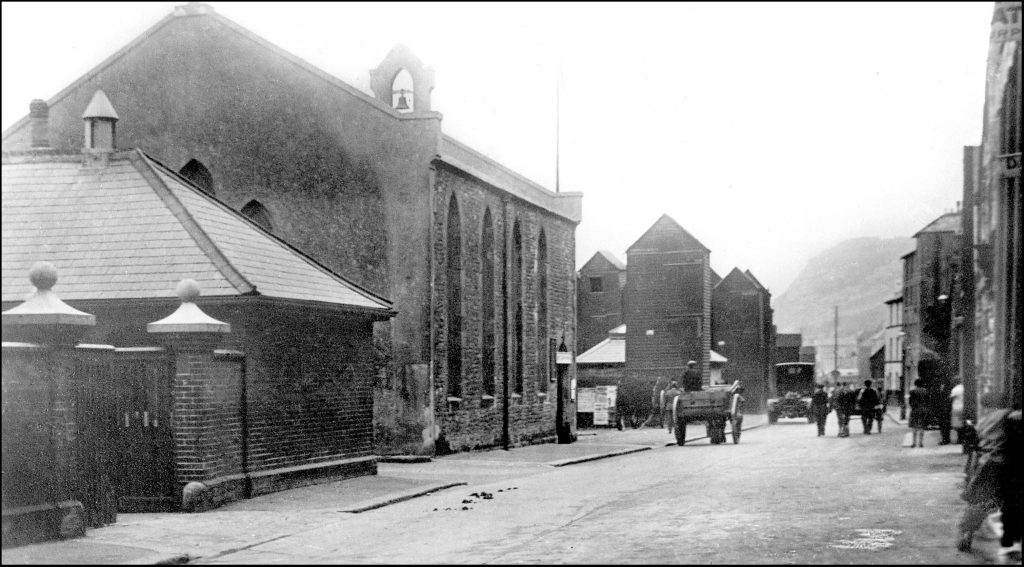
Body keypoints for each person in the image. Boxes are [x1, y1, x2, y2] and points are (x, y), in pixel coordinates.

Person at [956, 392, 1022, 560]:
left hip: (985, 464)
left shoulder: (985, 420)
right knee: (1011, 504)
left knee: (982, 502)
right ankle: (1013, 544)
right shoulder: (1008, 415)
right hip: (1003, 463)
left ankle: (966, 534)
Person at [908, 379, 930, 448]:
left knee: (914, 426)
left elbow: (910, 402)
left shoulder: (912, 391)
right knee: (922, 426)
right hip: (923, 410)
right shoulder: (925, 391)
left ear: (915, 384)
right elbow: (928, 401)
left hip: (915, 410)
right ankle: (921, 443)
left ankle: (914, 443)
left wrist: (913, 407)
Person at [950, 379, 965, 443]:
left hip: (956, 407)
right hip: (963, 407)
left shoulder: (955, 389)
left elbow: (951, 398)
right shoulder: (964, 388)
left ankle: (959, 439)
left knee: (956, 425)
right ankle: (963, 438)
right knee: (962, 423)